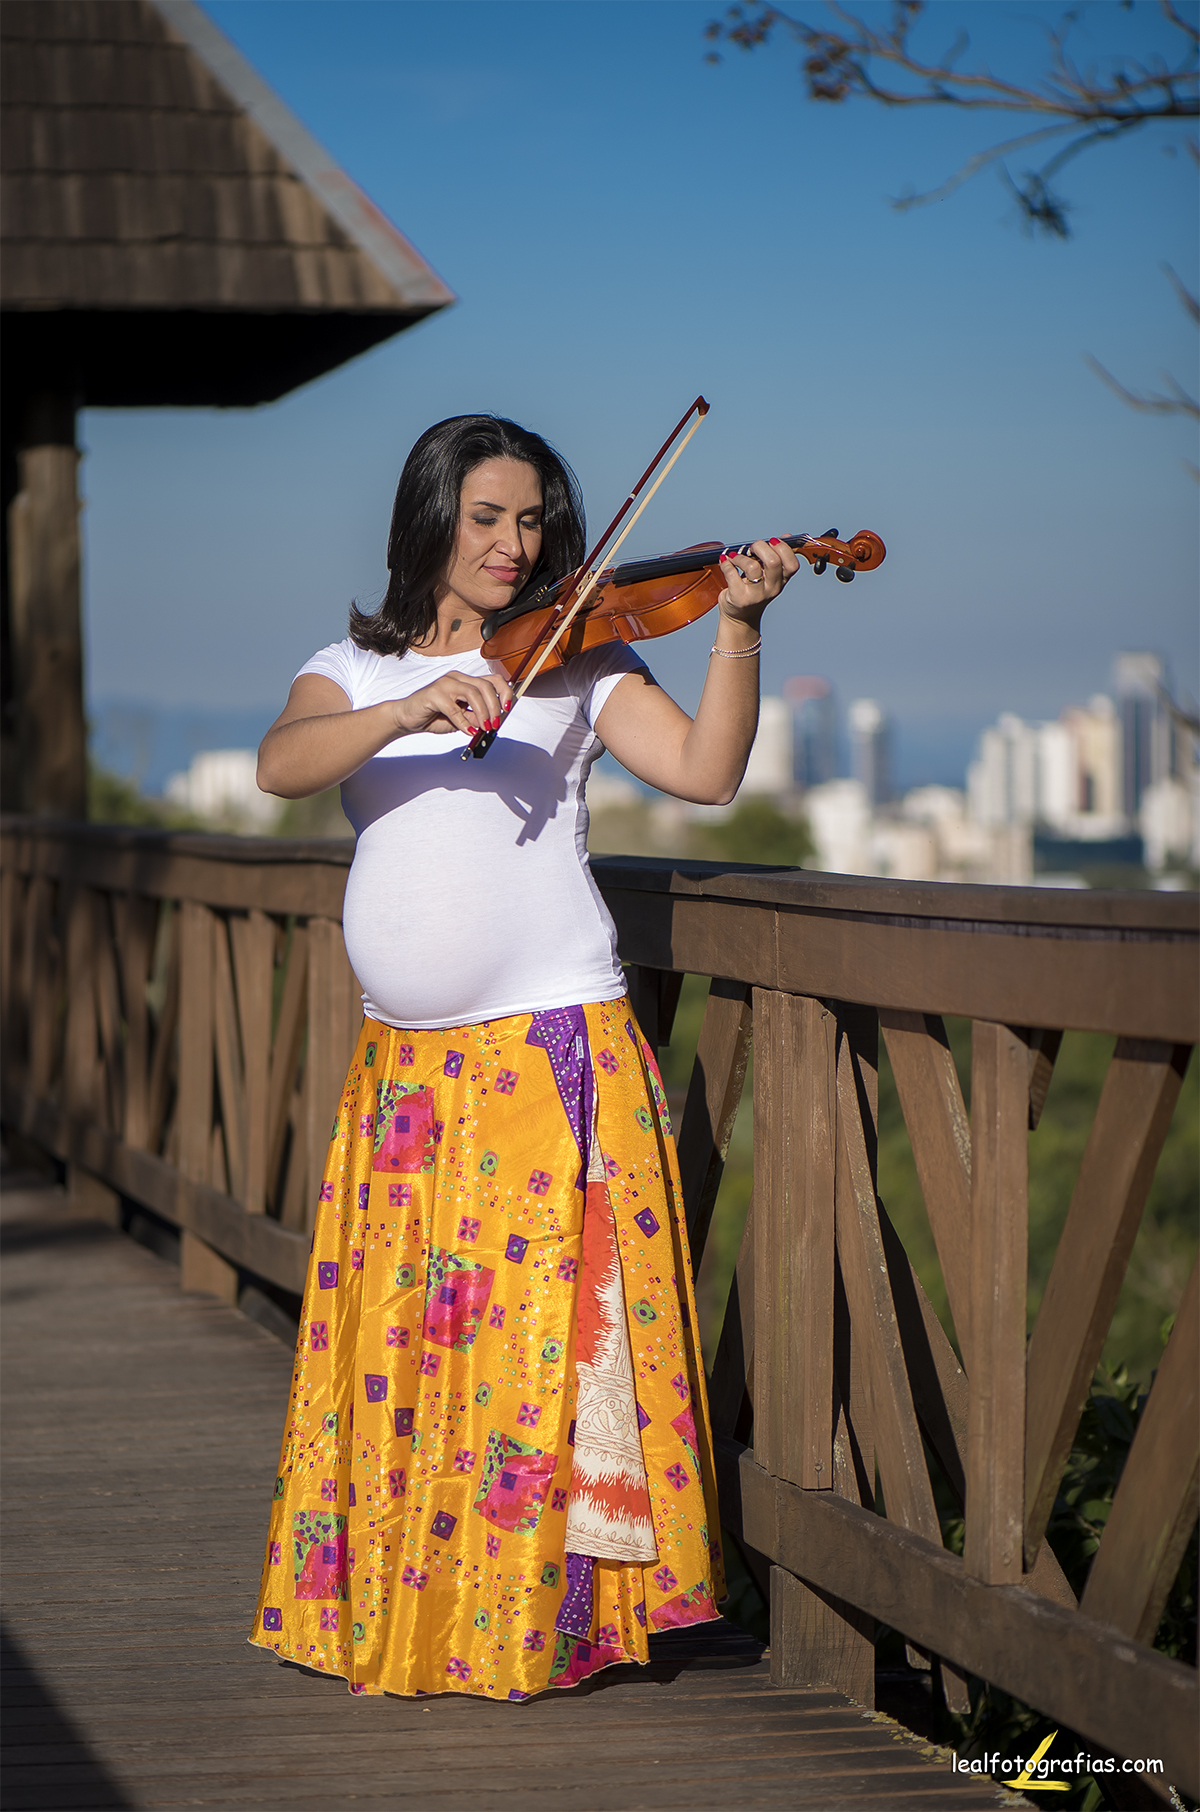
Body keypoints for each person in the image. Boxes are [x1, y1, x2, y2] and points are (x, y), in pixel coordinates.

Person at [249, 414, 798, 1700]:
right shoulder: (352, 668)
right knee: (416, 1355)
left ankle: (532, 1625)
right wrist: (408, 709)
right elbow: (280, 764)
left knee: (542, 1361)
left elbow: (709, 774)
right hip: (406, 1079)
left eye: (535, 519)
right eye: (488, 516)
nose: (516, 544)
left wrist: (740, 627)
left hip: (550, 1053)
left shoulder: (581, 664)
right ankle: (411, 1610)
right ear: (431, 518)